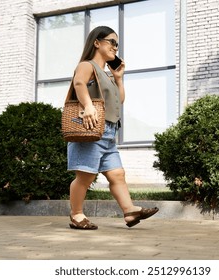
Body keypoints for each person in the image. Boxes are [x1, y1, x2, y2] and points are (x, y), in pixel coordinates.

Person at [67, 26, 159, 230]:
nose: (116, 47)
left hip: (108, 134)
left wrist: (118, 78)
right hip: (91, 130)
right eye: (112, 42)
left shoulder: (106, 76)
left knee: (117, 174)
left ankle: (129, 212)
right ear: (97, 42)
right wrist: (88, 106)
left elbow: (119, 100)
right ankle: (76, 215)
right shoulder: (87, 65)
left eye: (117, 44)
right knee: (85, 176)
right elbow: (79, 83)